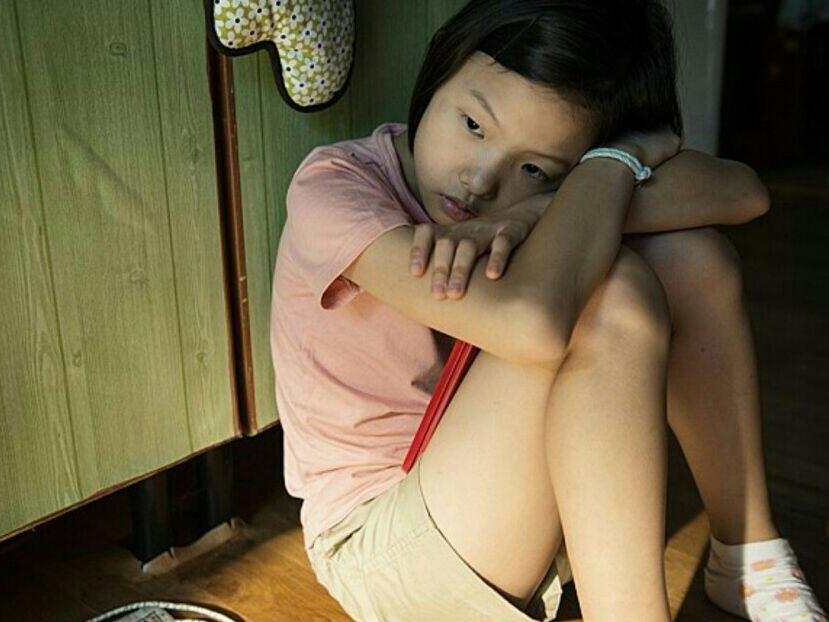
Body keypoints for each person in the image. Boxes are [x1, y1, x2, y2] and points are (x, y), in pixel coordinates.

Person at [269, 1, 828, 620]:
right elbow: (531, 327)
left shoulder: (530, 195)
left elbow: (743, 193)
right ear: (442, 68)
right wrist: (597, 175)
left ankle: (748, 555)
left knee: (692, 256)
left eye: (535, 167)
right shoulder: (334, 192)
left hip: (521, 500)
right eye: (473, 125)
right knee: (608, 290)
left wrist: (551, 201)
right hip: (386, 545)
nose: (480, 181)